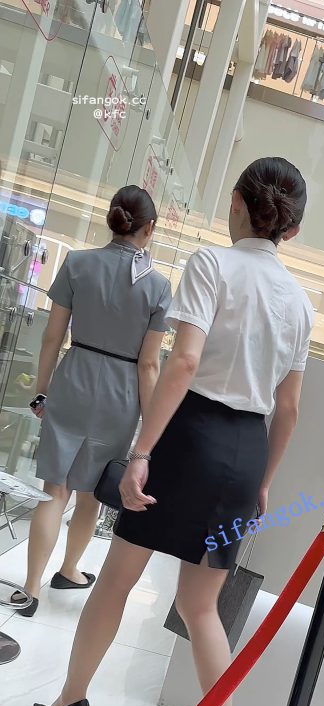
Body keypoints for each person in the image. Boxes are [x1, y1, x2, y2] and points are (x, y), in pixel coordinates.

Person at [33, 157, 314, 706]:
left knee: (117, 579)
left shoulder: (212, 264)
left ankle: (71, 698)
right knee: (202, 605)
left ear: (236, 202)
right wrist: (264, 481)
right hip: (247, 450)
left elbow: (183, 361)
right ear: (292, 231)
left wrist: (141, 452)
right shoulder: (301, 303)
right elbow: (291, 408)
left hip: (189, 438)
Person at [12, 186, 171, 618]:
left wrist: (42, 390)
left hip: (74, 378)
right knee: (92, 494)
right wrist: (150, 424)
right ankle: (69, 570)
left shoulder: (77, 263)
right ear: (149, 228)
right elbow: (150, 364)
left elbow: (52, 336)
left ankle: (31, 588)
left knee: (55, 490)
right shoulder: (158, 286)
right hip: (121, 394)